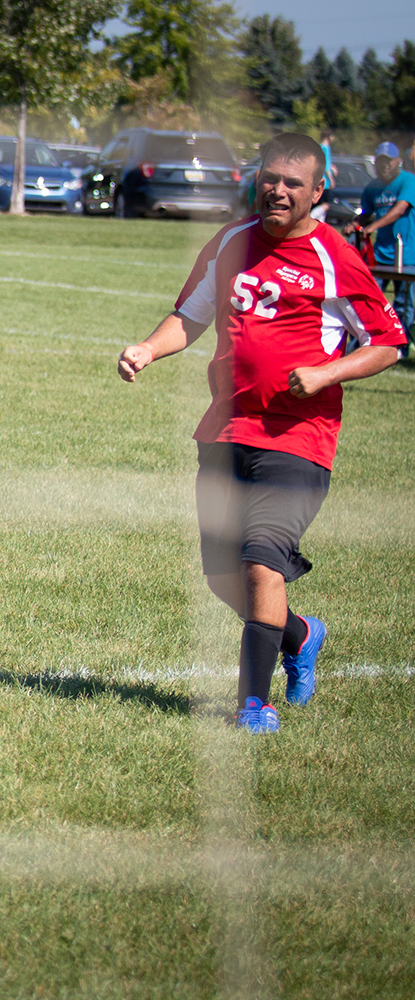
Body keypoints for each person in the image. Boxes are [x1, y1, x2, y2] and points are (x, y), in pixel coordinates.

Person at [117, 132, 405, 733]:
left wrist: (327, 372)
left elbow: (387, 344)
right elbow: (190, 316)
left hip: (300, 437)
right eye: (270, 179)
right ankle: (300, 635)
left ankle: (255, 703)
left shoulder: (335, 257)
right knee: (223, 576)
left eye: (293, 183)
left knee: (260, 562)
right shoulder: (229, 242)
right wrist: (148, 347)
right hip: (225, 429)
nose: (278, 191)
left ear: (317, 192)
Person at [359, 141, 415, 336]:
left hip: (406, 257)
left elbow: (400, 209)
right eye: (381, 162)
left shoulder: (408, 181)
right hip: (379, 256)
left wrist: (372, 226)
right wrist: (356, 223)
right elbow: (365, 212)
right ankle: (371, 341)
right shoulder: (372, 187)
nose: (384, 166)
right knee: (371, 301)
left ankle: (401, 346)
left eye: (389, 161)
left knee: (403, 303)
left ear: (398, 161)